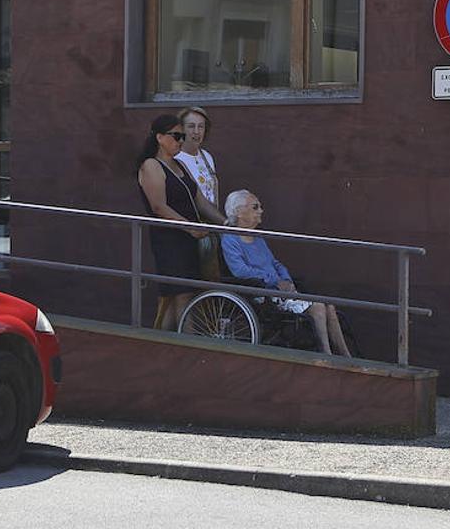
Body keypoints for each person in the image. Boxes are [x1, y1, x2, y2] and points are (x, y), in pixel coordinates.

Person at [220, 189, 352, 357]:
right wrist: (274, 281)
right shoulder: (230, 239)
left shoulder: (257, 237)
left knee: (330, 307)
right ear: (239, 212)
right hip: (261, 292)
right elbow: (240, 271)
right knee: (318, 308)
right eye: (255, 207)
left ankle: (347, 356)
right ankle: (327, 355)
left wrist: (286, 279)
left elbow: (275, 263)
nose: (261, 210)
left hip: (279, 288)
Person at [136, 114, 225, 330]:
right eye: (176, 136)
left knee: (182, 295)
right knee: (178, 295)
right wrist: (189, 226)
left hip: (189, 239)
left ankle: (166, 342)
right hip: (169, 239)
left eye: (182, 136)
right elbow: (159, 206)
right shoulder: (151, 166)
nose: (181, 141)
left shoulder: (180, 166)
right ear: (159, 137)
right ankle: (184, 343)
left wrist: (226, 223)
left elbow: (200, 202)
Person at [174, 106, 220, 281]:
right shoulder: (176, 159)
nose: (196, 131)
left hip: (211, 227)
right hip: (190, 228)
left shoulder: (207, 156)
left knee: (212, 277)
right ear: (182, 129)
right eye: (191, 126)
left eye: (201, 127)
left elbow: (213, 189)